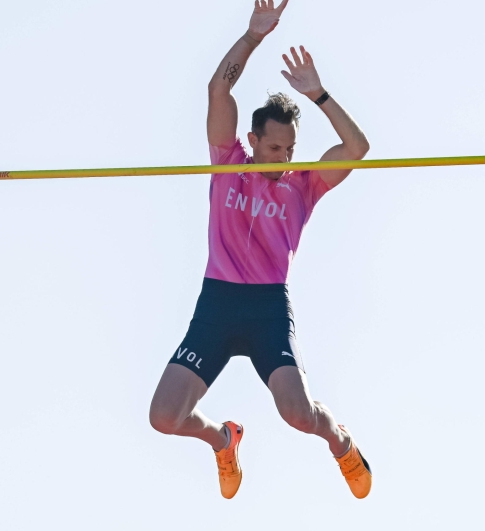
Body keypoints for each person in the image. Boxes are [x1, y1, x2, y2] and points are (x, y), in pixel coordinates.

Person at [148, 0, 372, 500]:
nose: (283, 159)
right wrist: (252, 37)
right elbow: (218, 89)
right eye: (274, 149)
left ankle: (341, 443)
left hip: (268, 307)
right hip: (218, 304)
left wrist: (319, 94)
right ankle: (222, 439)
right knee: (163, 417)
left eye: (290, 150)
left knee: (298, 413)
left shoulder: (304, 184)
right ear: (253, 140)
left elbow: (357, 148)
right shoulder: (226, 161)